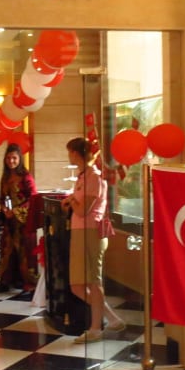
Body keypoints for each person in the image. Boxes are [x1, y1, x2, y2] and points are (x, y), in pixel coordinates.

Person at [60, 136, 126, 343]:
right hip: (80, 231)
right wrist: (71, 200)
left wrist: (71, 201)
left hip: (90, 232)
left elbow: (82, 210)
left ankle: (96, 327)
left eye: (70, 152)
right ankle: (111, 318)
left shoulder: (94, 178)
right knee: (77, 285)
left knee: (93, 281)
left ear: (76, 153)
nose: (69, 155)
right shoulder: (83, 177)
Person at [0, 143, 37, 295]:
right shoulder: (5, 177)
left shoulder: (26, 177)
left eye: (14, 158)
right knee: (7, 250)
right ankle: (6, 281)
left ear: (19, 159)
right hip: (9, 221)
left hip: (23, 222)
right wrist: (4, 209)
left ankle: (29, 284)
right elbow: (2, 197)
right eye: (8, 158)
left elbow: (33, 198)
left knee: (24, 252)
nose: (11, 161)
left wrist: (16, 211)